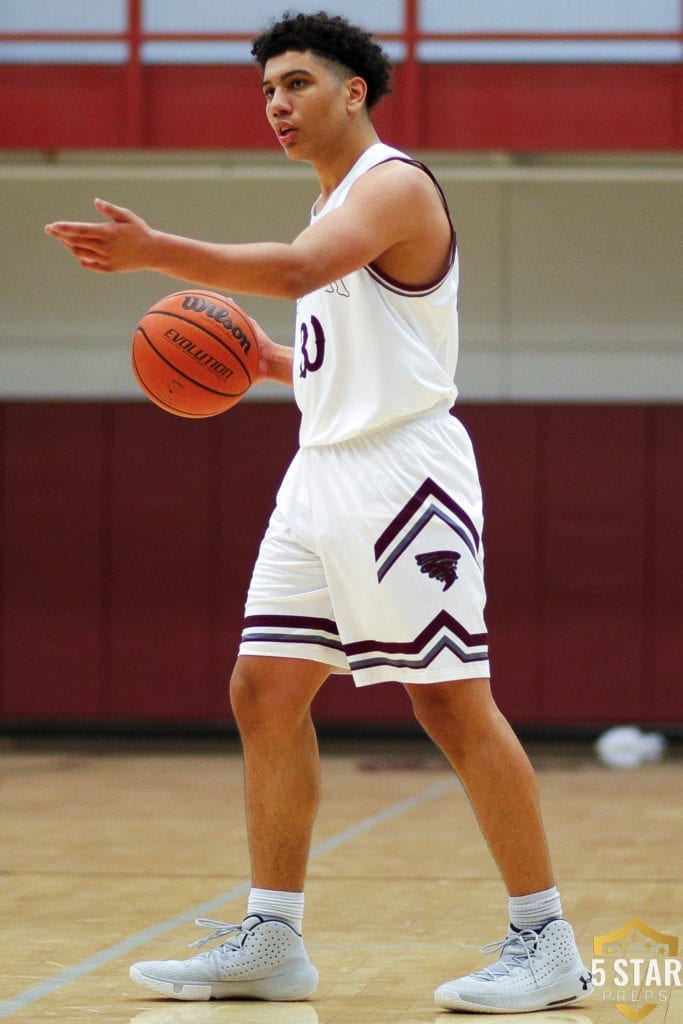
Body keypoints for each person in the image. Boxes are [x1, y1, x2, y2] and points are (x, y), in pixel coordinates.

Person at [45, 10, 593, 1015]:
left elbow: (299, 277)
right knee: (262, 689)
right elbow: (330, 338)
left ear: (354, 92)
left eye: (296, 83)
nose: (276, 105)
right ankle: (272, 934)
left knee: (446, 702)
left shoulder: (392, 184)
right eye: (266, 91)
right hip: (320, 473)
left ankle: (543, 935)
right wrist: (261, 359)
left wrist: (155, 250)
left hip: (400, 478)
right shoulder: (331, 207)